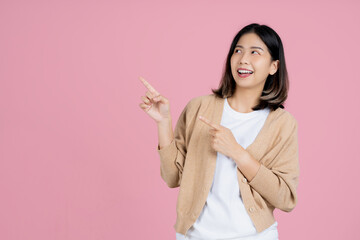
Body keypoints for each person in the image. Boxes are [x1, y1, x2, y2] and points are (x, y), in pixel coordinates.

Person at [139, 23, 299, 240]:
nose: (243, 58)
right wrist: (164, 122)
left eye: (255, 52)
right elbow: (172, 177)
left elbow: (286, 198)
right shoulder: (199, 108)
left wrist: (238, 153)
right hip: (195, 236)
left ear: (273, 66)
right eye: (238, 50)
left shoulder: (282, 123)